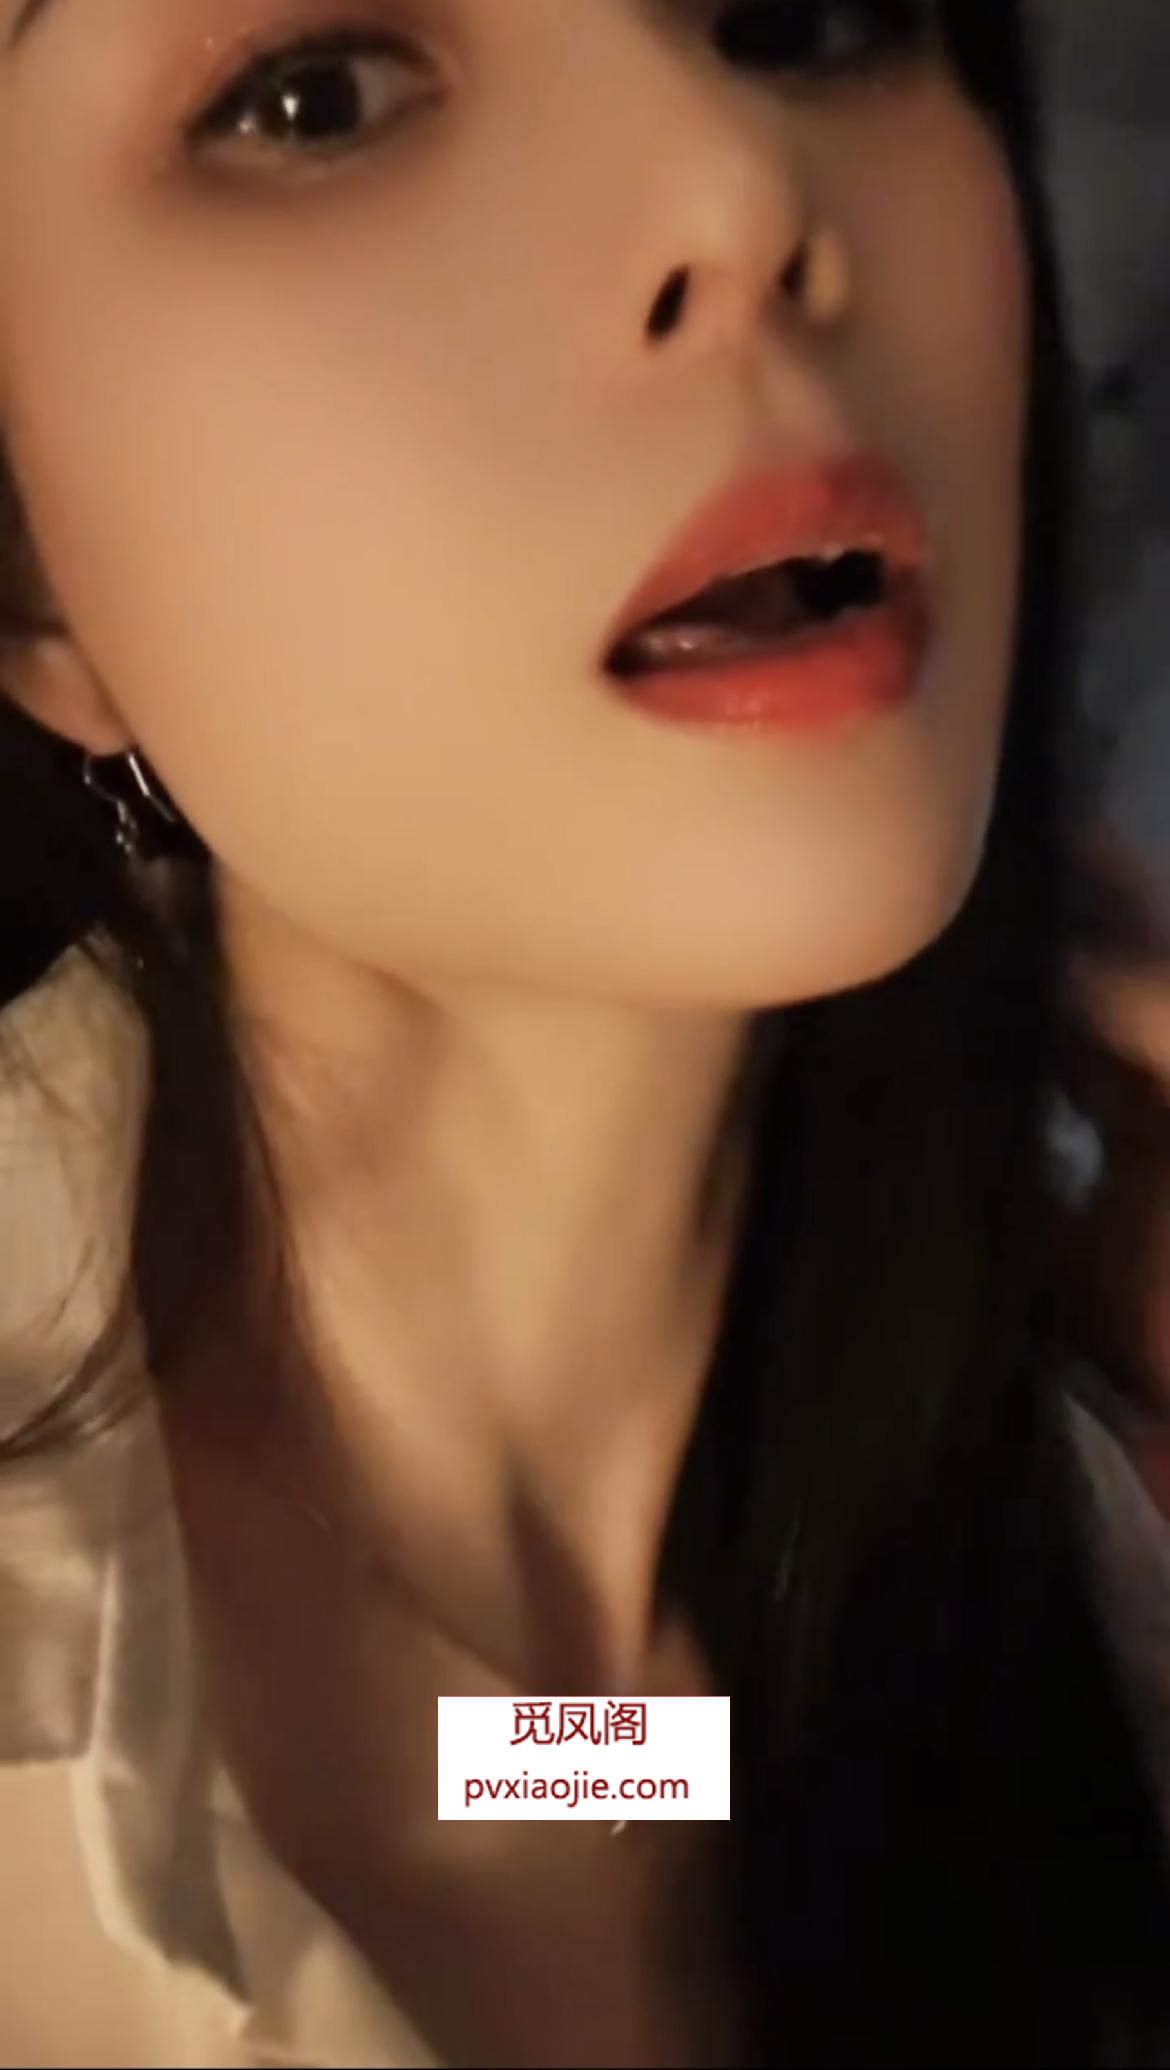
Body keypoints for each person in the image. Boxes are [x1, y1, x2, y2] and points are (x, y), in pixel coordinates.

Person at [1, 2, 1170, 2064]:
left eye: (807, 12)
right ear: (27, 578)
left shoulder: (1015, 1611)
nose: (739, 181)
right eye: (315, 97)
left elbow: (578, 1767)